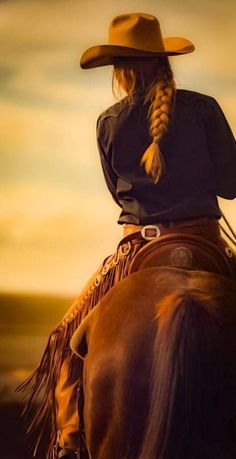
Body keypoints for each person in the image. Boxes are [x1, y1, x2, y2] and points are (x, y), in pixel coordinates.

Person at [18, 12, 236, 459]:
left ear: (118, 70)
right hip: (206, 242)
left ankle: (70, 442)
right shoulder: (205, 108)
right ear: (165, 62)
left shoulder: (109, 123)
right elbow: (232, 186)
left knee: (66, 340)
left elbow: (120, 199)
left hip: (139, 247)